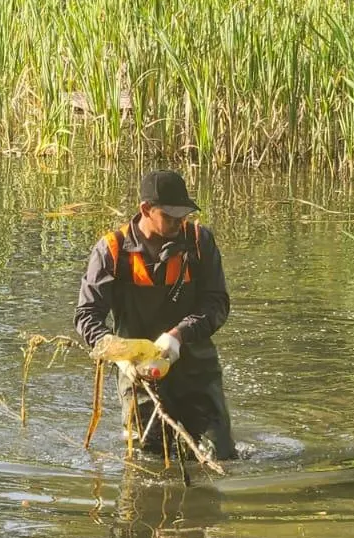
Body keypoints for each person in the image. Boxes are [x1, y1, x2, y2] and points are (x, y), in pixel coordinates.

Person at [75, 169, 237, 461]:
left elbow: (217, 303)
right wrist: (118, 353)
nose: (179, 222)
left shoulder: (200, 242)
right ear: (146, 209)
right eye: (171, 215)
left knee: (221, 455)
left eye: (183, 214)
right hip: (138, 375)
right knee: (148, 460)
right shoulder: (111, 250)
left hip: (197, 368)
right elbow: (87, 316)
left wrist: (178, 336)